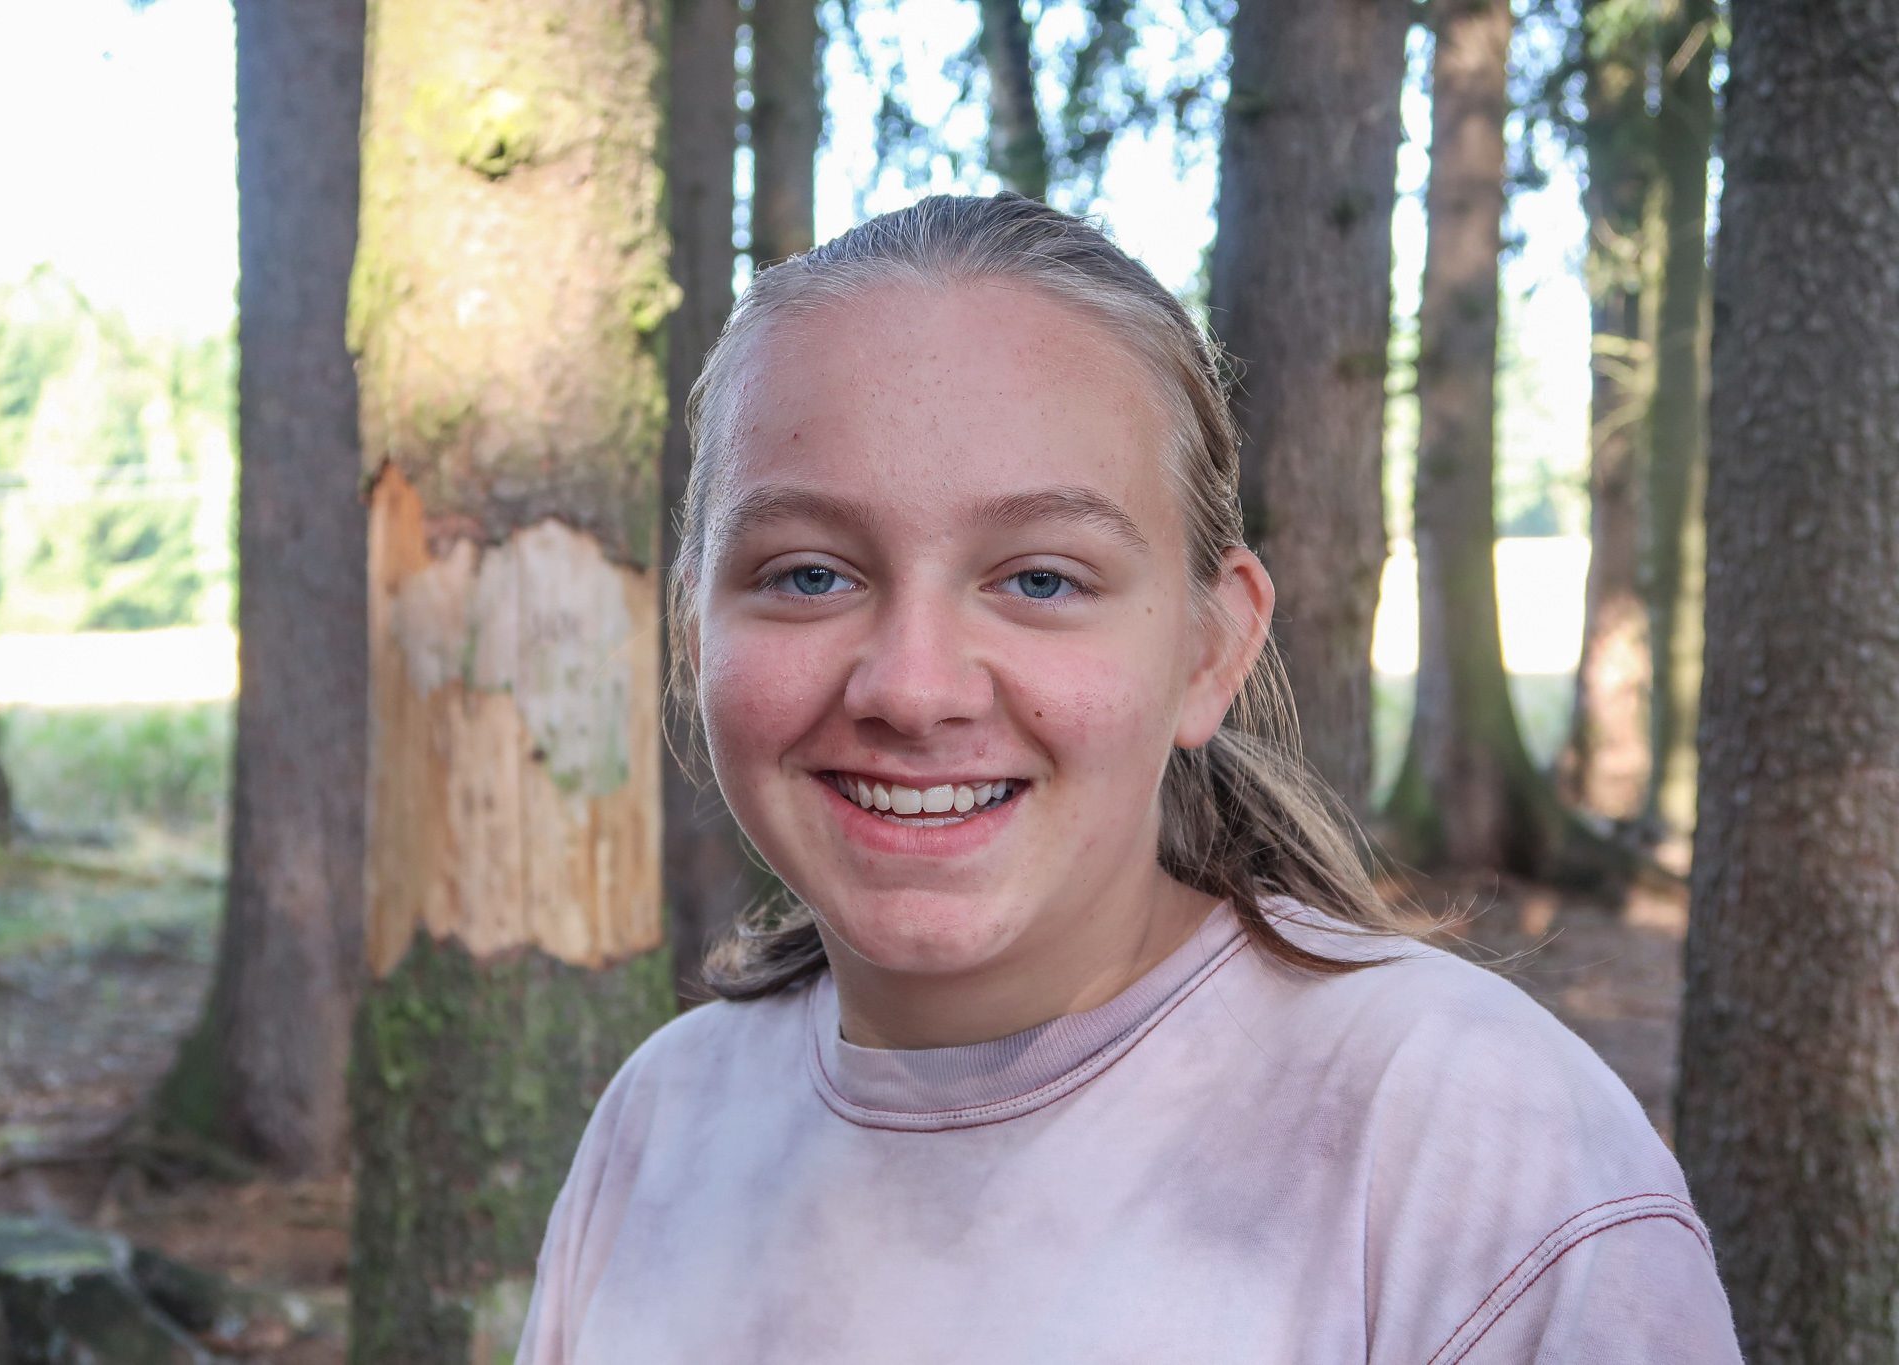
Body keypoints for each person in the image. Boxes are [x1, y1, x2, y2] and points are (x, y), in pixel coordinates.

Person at [516, 193, 1740, 1363]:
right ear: (693, 635)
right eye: (808, 575)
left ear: (1209, 648)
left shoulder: (1473, 1151)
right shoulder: (663, 1120)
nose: (912, 688)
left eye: (1039, 579)